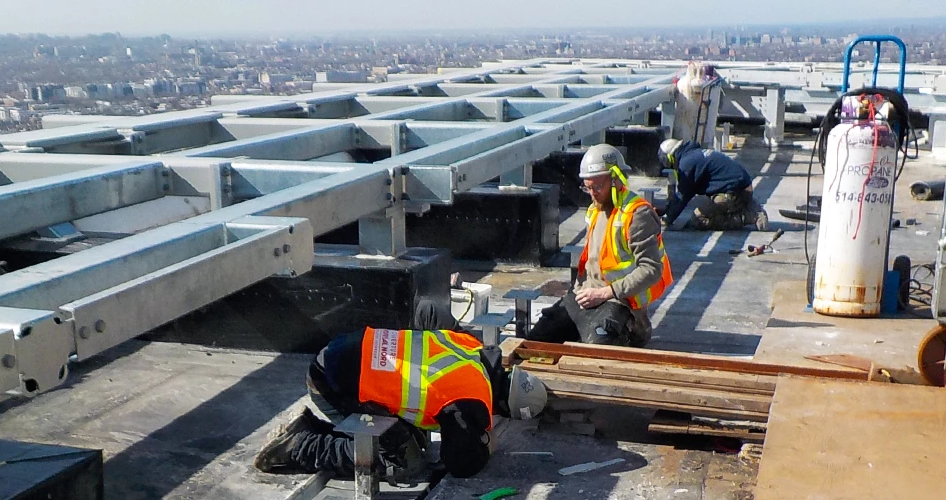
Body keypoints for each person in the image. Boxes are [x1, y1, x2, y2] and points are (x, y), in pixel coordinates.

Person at [253, 300, 548, 480]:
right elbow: (461, 464)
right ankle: (300, 445)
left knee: (413, 433)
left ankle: (313, 427)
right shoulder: (472, 405)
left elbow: (428, 311)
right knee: (407, 462)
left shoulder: (472, 347)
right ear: (505, 409)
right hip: (331, 385)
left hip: (336, 353)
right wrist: (483, 443)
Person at [527, 144, 673, 348]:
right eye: (588, 187)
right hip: (588, 296)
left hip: (620, 302)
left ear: (616, 180)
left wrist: (604, 293)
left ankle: (635, 329)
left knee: (597, 351)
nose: (592, 193)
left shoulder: (636, 215)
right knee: (536, 341)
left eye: (597, 187)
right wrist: (580, 292)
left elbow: (651, 269)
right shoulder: (594, 210)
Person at [658, 138, 770, 231]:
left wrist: (667, 219)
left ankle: (748, 216)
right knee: (714, 207)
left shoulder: (687, 164)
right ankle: (747, 205)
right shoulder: (694, 154)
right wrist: (666, 208)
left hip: (733, 192)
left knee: (698, 220)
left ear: (670, 158)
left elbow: (683, 196)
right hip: (742, 187)